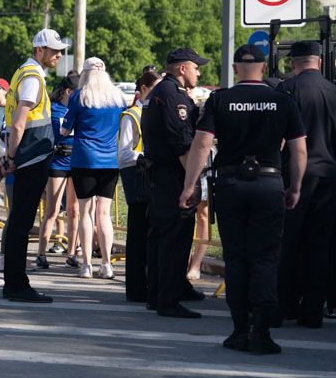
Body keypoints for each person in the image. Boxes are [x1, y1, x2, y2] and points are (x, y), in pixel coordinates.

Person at [181, 44, 307, 353]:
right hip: (267, 183)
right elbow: (299, 149)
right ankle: (262, 331)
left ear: (236, 68)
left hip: (231, 183)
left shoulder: (220, 99)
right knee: (265, 258)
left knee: (236, 258)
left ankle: (239, 329)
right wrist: (295, 188)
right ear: (264, 68)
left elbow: (201, 146)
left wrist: (190, 185)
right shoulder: (282, 100)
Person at [0, 28, 68, 303]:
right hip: (31, 156)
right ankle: (17, 284)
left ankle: (14, 282)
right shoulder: (32, 77)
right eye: (54, 51)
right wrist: (13, 158)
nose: (59, 55)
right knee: (21, 221)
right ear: (39, 50)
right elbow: (19, 122)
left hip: (28, 155)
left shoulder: (24, 73)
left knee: (20, 220)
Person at [141, 48, 209, 319]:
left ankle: (162, 291)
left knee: (160, 236)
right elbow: (181, 143)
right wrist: (191, 184)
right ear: (182, 68)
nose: (199, 72)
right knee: (175, 237)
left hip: (159, 174)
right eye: (196, 67)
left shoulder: (160, 91)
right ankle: (168, 299)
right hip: (172, 175)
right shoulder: (173, 96)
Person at [276, 40, 336, 328]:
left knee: (287, 242)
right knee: (319, 244)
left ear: (292, 63)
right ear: (319, 62)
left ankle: (284, 304)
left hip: (294, 177)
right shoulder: (333, 92)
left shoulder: (287, 90)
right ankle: (312, 310)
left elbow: (277, 139)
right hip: (328, 178)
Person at [62, 58, 128, 279]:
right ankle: (107, 264)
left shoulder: (79, 97)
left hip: (83, 158)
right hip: (110, 160)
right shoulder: (117, 97)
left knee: (85, 213)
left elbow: (65, 128)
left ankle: (87, 265)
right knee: (104, 214)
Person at [119, 69, 161, 302]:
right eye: (155, 88)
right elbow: (124, 153)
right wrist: (144, 156)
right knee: (137, 235)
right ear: (143, 89)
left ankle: (147, 283)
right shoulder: (131, 115)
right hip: (138, 177)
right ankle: (136, 288)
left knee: (147, 234)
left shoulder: (153, 111)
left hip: (150, 176)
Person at [37, 75, 79, 269]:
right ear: (68, 91)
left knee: (74, 210)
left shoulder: (79, 108)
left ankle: (72, 254)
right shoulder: (53, 109)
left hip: (76, 161)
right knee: (52, 210)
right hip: (57, 162)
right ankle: (41, 253)